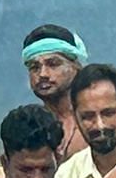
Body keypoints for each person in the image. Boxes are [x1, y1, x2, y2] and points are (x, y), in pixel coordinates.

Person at [22, 23, 89, 162]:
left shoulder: (101, 119)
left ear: (76, 66)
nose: (43, 74)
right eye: (34, 67)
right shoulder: (27, 127)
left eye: (53, 64)